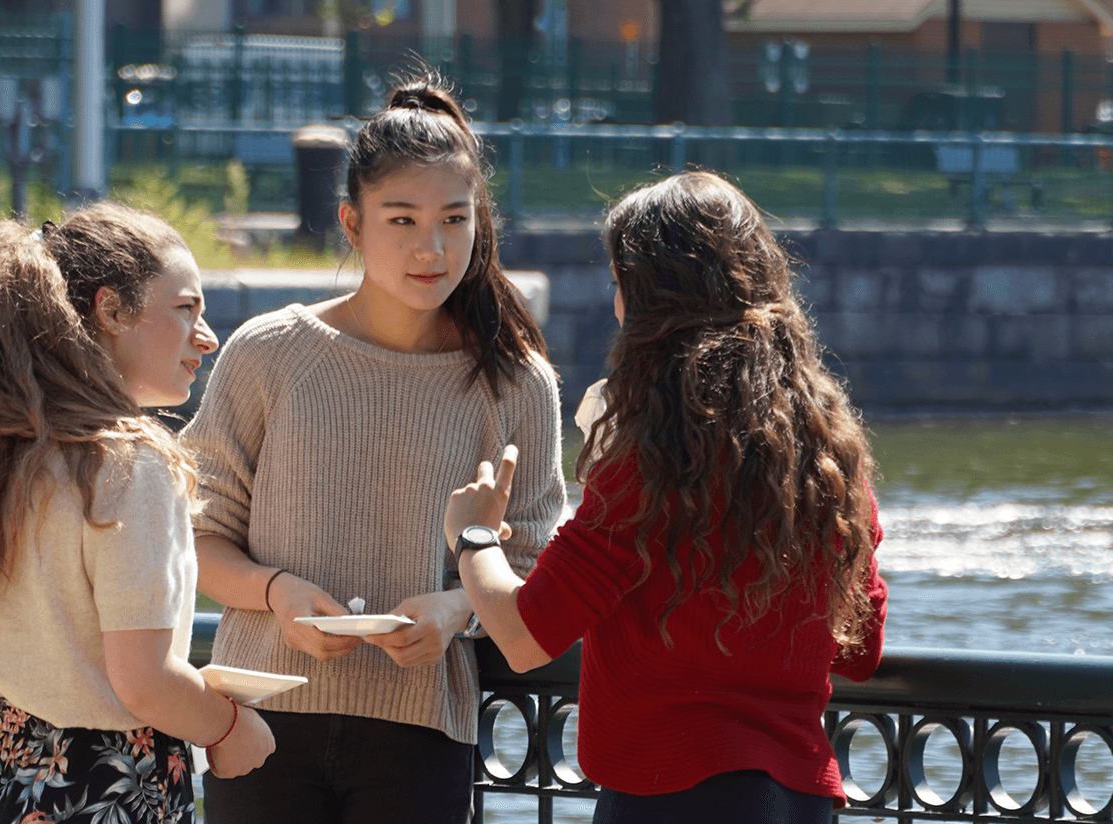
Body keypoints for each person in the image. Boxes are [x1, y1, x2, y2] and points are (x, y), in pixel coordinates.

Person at [444, 171, 889, 824]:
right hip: (798, 798)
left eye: (621, 288)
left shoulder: (650, 463)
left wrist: (474, 536)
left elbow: (526, 636)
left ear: (650, 306)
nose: (617, 307)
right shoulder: (828, 458)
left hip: (665, 794)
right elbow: (860, 650)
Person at [182, 72, 566, 824]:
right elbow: (194, 536)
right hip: (258, 719)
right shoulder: (269, 354)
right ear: (351, 226)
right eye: (401, 220)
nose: (432, 247)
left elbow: (539, 571)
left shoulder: (519, 384)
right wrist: (276, 593)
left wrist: (457, 610)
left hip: (420, 732)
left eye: (454, 220)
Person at [0, 202, 274, 824]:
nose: (207, 337)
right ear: (110, 310)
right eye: (186, 309)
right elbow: (143, 680)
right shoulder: (128, 464)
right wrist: (230, 727)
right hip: (100, 785)